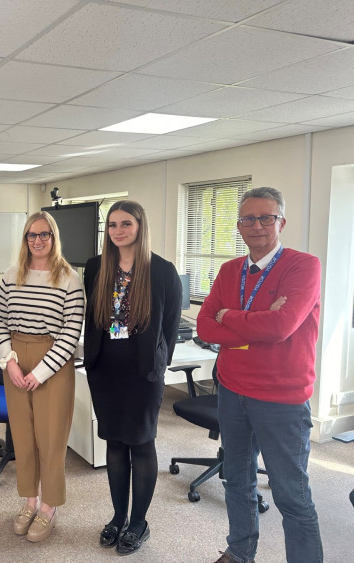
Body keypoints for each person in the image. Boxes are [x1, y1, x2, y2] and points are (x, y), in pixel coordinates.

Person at [197, 187, 323, 563]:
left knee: (290, 494)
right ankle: (239, 552)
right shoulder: (229, 270)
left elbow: (281, 327)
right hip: (233, 391)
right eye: (248, 219)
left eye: (266, 217)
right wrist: (255, 321)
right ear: (238, 226)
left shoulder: (304, 266)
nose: (257, 226)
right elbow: (205, 327)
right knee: (236, 480)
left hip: (281, 399)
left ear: (280, 222)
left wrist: (230, 317)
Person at [83, 200, 181, 556]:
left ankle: (139, 521)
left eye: (126, 223)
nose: (118, 230)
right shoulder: (96, 267)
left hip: (142, 373)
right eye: (112, 225)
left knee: (140, 443)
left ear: (140, 226)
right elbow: (92, 318)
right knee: (113, 442)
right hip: (104, 369)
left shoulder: (162, 271)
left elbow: (169, 327)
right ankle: (117, 516)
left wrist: (159, 366)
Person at [0, 211, 84, 542]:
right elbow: (0, 323)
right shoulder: (11, 275)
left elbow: (71, 333)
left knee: (50, 440)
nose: (38, 241)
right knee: (24, 436)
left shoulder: (69, 279)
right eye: (32, 235)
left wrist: (41, 372)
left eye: (44, 234)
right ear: (25, 239)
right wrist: (10, 363)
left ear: (54, 237)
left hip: (54, 362)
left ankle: (48, 507)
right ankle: (29, 500)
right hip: (16, 357)